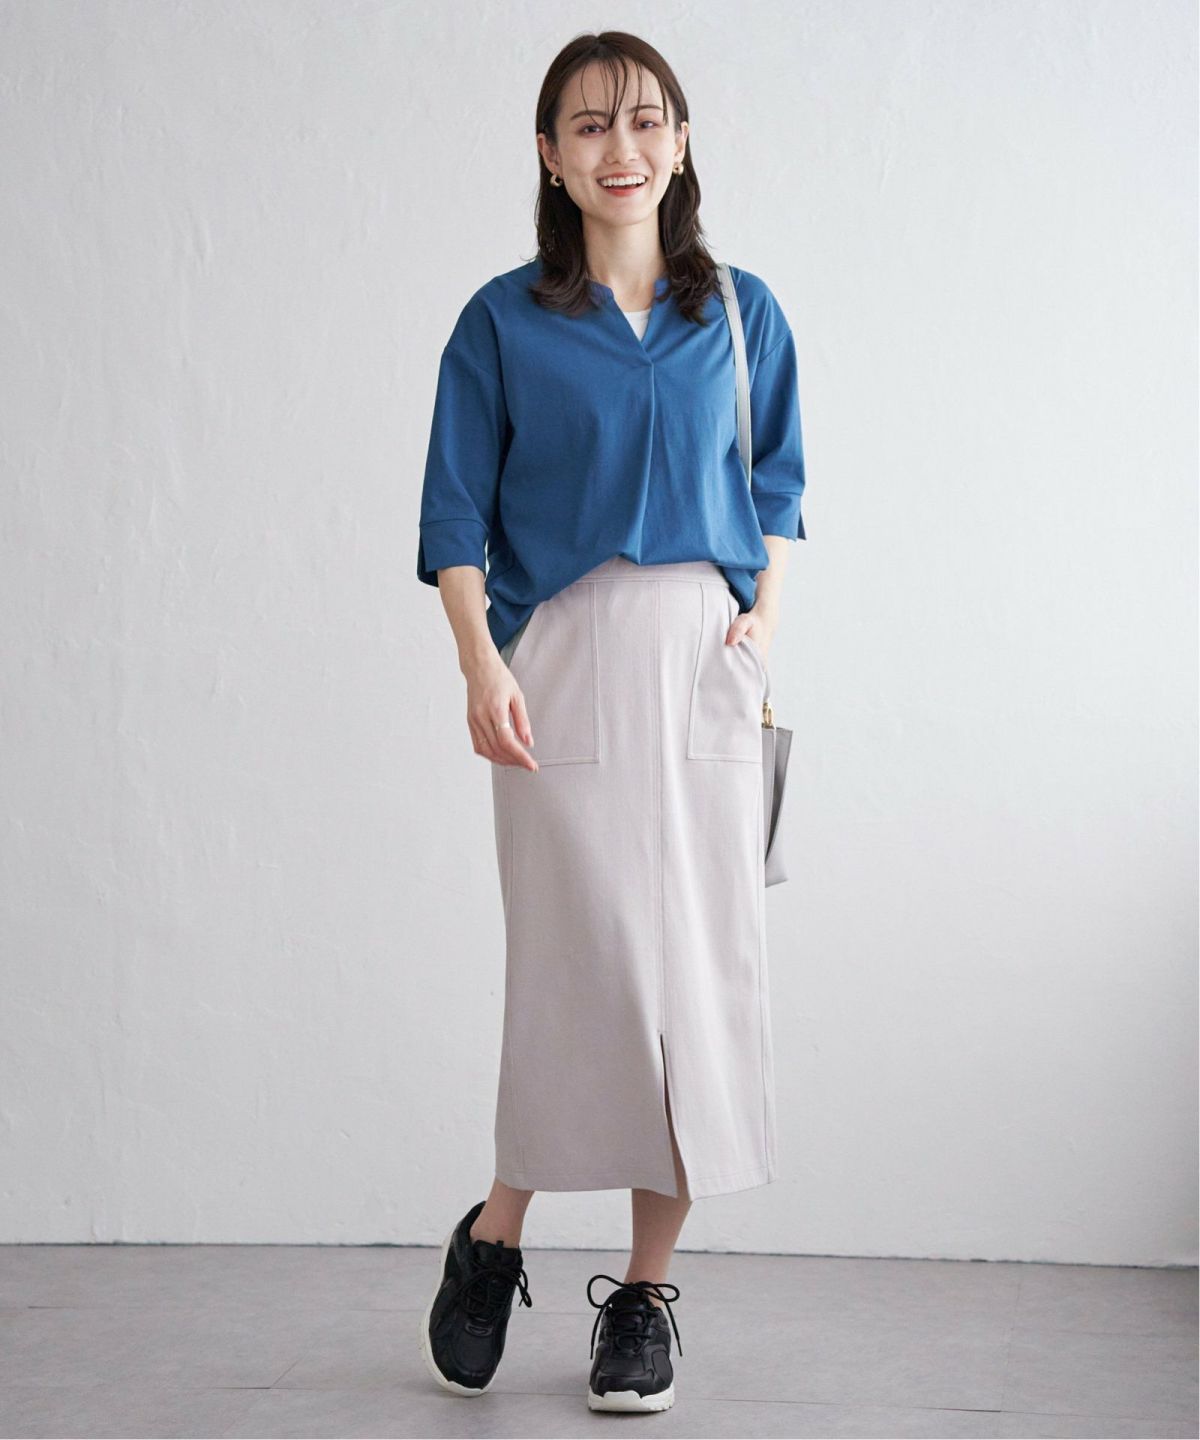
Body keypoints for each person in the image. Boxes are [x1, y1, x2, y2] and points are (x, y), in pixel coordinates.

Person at [415, 30, 807, 1415]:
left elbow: (778, 487)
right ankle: (498, 1231)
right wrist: (481, 663)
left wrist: (765, 619)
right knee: (575, 970)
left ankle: (643, 1299)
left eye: (645, 121)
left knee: (693, 984)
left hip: (702, 659)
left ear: (682, 141)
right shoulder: (502, 322)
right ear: (549, 155)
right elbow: (454, 511)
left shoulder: (743, 315)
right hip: (561, 662)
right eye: (588, 126)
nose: (620, 148)